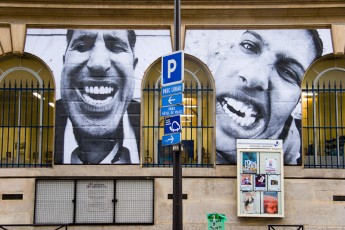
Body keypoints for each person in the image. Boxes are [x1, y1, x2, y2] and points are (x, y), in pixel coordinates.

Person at [215, 29, 323, 164]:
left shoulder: (315, 156)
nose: (254, 77)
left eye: (287, 71)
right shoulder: (180, 119)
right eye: (249, 46)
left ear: (299, 99)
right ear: (226, 54)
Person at [55, 29, 140, 164]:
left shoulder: (152, 119)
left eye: (117, 48)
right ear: (64, 62)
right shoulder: (42, 118)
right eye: (81, 47)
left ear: (133, 66)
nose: (98, 63)